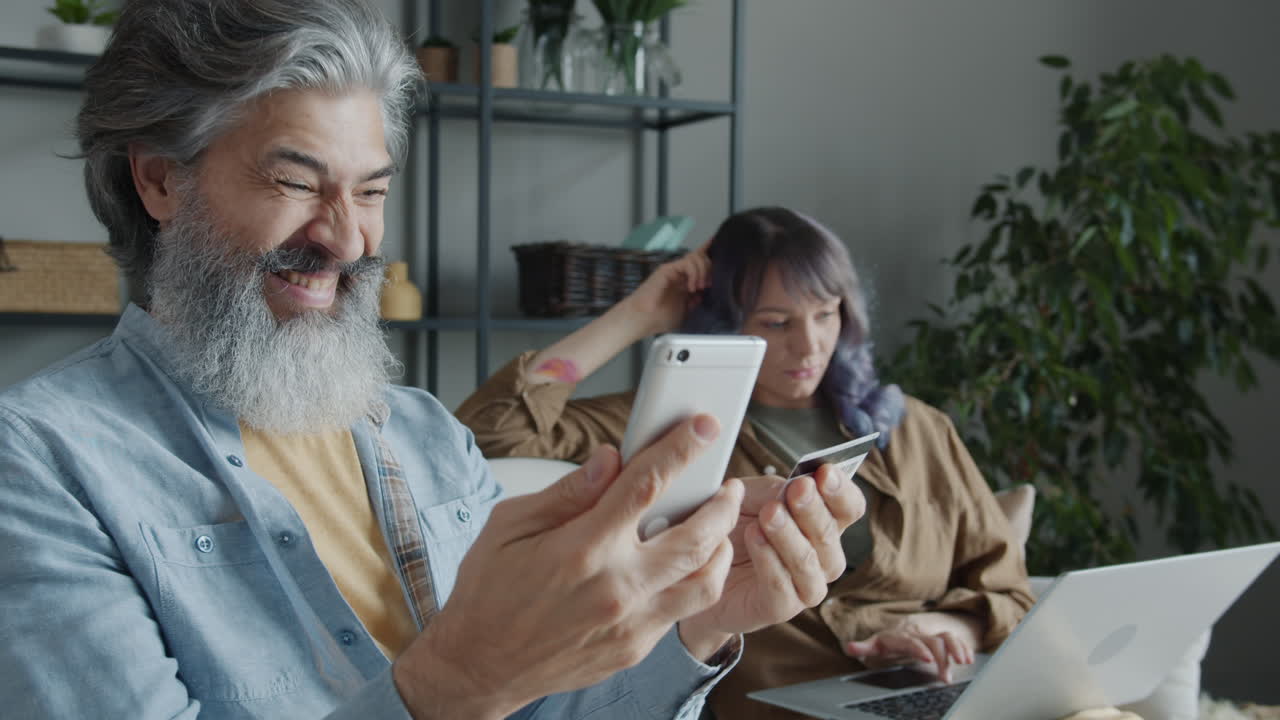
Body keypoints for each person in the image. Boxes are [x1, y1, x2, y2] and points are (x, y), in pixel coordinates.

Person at [0, 4, 867, 719]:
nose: (348, 239)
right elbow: (481, 689)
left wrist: (696, 619)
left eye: (372, 191)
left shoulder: (423, 434)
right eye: (297, 183)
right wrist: (458, 683)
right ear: (160, 180)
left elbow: (546, 706)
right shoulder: (40, 461)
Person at [456, 206, 1038, 719]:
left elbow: (1010, 589)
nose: (808, 345)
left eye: (826, 314)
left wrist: (949, 626)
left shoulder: (918, 429)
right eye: (776, 323)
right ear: (727, 323)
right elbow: (490, 431)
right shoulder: (670, 431)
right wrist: (639, 314)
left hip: (934, 694)